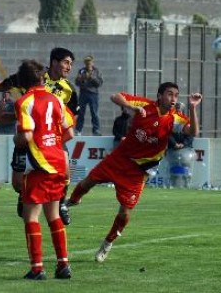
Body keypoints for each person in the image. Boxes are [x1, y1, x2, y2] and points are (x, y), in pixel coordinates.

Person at [66, 82, 202, 262]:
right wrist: (131, 107)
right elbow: (115, 96)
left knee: (125, 212)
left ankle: (107, 243)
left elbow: (193, 131)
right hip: (120, 158)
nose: (173, 99)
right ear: (160, 95)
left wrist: (192, 108)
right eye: (170, 94)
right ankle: (71, 202)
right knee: (88, 181)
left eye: (176, 95)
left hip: (138, 170)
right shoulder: (144, 105)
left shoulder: (175, 117)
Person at [0, 47, 78, 225]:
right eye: (66, 62)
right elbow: (5, 85)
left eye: (71, 64)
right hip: (27, 134)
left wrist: (61, 135)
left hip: (50, 137)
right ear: (54, 62)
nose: (69, 67)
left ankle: (61, 204)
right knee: (18, 184)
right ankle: (24, 195)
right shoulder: (35, 76)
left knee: (64, 171)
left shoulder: (68, 90)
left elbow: (70, 117)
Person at [13, 60, 74, 280]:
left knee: (30, 216)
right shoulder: (56, 99)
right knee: (54, 215)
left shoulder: (24, 101)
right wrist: (54, 144)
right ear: (42, 78)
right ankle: (63, 264)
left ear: (22, 83)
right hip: (58, 161)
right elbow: (70, 132)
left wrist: (17, 138)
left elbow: (27, 136)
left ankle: (37, 268)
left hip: (39, 164)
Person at [167, 102, 195, 188]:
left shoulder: (187, 121)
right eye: (177, 107)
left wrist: (183, 144)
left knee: (186, 165)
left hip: (186, 150)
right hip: (173, 149)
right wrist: (175, 144)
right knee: (173, 167)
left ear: (183, 109)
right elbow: (167, 134)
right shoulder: (169, 121)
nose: (178, 109)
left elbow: (190, 135)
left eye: (180, 108)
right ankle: (173, 184)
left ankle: (187, 184)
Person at [75, 55, 103, 136]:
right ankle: (78, 129)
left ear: (92, 62)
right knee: (81, 113)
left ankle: (96, 130)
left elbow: (99, 83)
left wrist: (91, 77)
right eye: (86, 62)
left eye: (89, 62)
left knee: (94, 112)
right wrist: (81, 78)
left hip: (93, 94)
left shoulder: (96, 71)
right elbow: (77, 82)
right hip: (83, 93)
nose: (88, 64)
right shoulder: (81, 71)